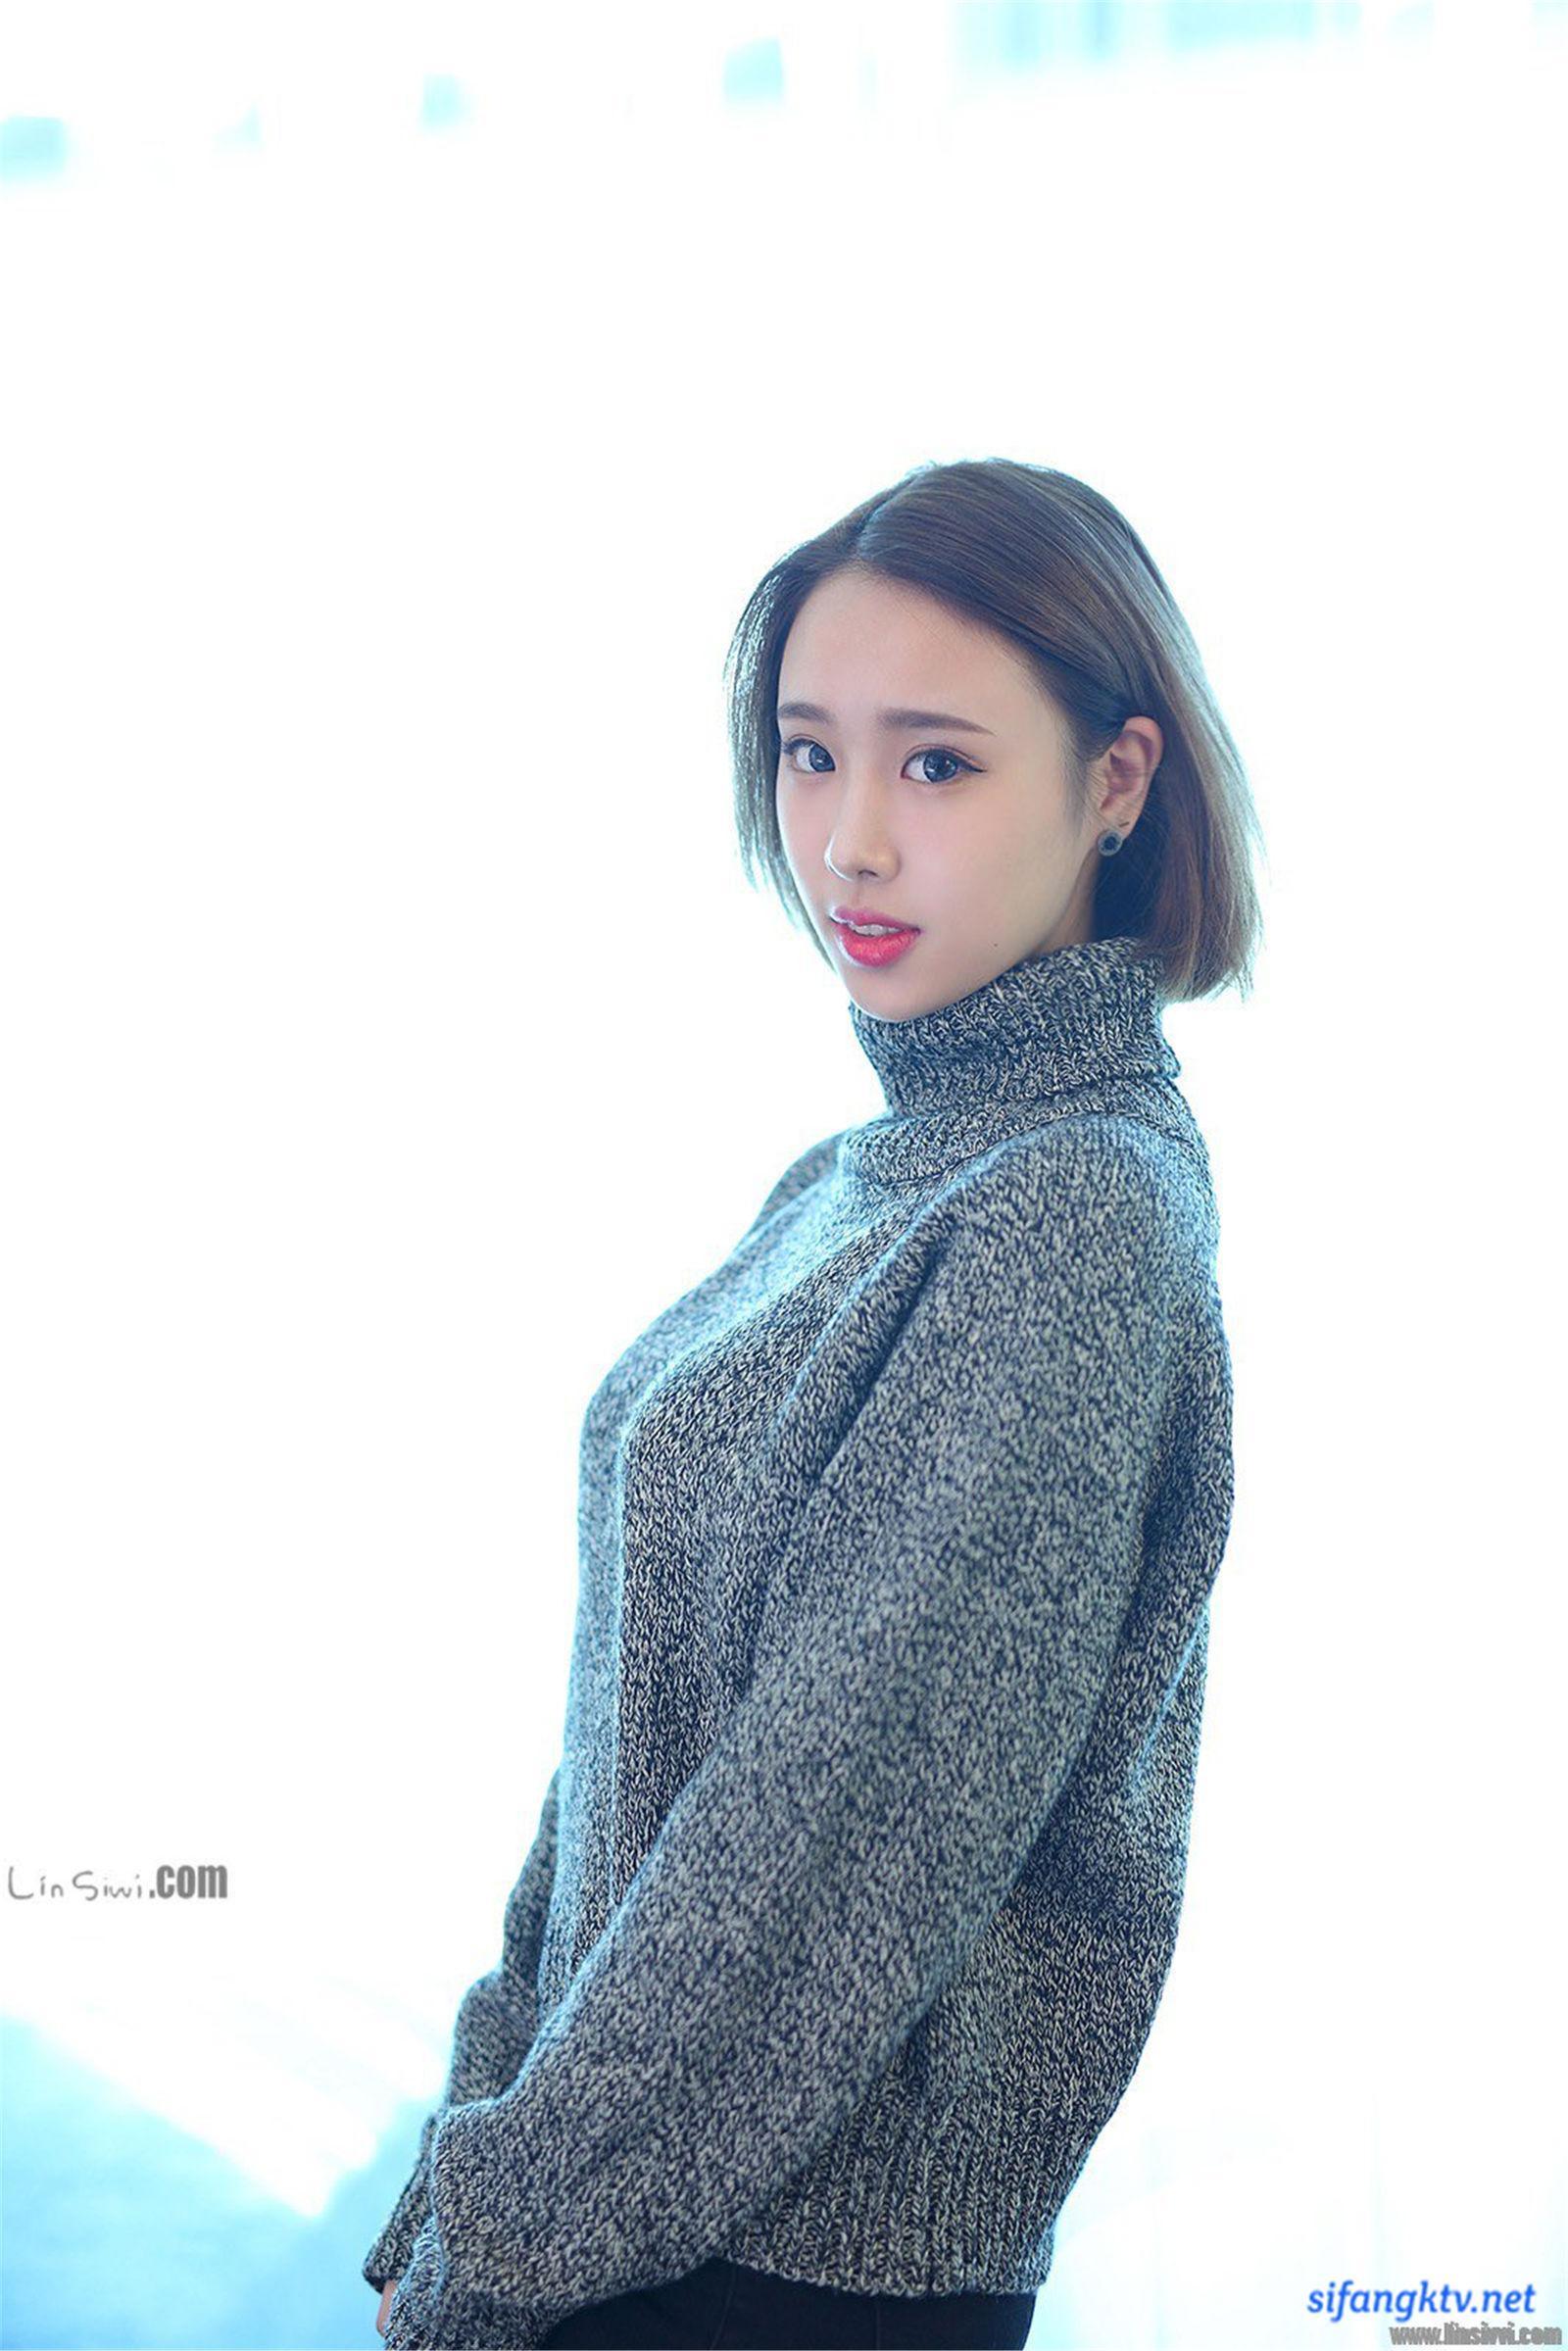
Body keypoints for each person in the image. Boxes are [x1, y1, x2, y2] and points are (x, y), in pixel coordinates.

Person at [364, 457, 1261, 2349]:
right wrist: (479, 2133)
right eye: (807, 753)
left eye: (935, 764)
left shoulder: (1073, 1215)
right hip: (633, 2226)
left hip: (780, 2283)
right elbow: (641, 1742)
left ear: (1117, 781)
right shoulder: (868, 1176)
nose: (848, 841)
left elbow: (811, 1879)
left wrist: (486, 2256)